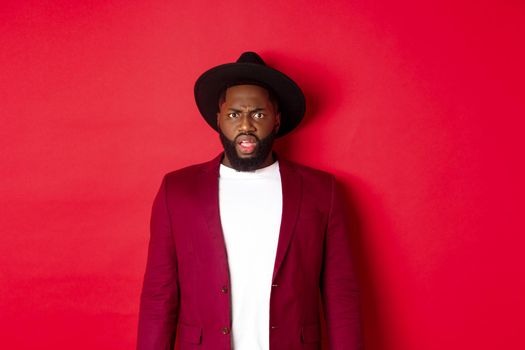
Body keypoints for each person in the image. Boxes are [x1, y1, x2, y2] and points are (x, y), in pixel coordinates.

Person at [137, 52, 362, 350]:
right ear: (218, 120)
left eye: (258, 114)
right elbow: (159, 294)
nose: (246, 125)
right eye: (234, 114)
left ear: (276, 120)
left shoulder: (322, 191)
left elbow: (340, 294)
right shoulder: (177, 191)